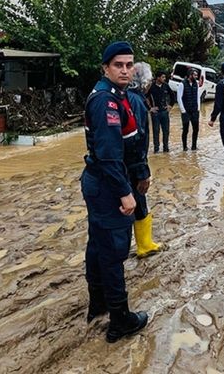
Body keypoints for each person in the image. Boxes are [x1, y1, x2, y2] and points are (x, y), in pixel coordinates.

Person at [81, 40, 148, 343]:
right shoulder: (106, 101)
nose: (125, 70)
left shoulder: (116, 95)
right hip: (109, 185)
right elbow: (109, 155)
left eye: (129, 64)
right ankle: (119, 319)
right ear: (105, 68)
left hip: (101, 182)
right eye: (118, 65)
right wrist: (126, 193)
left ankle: (99, 304)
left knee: (98, 244)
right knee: (112, 252)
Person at [126, 63, 162, 258]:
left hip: (124, 164)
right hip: (132, 166)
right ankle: (144, 245)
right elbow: (138, 139)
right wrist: (143, 172)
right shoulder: (137, 102)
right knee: (138, 201)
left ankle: (143, 244)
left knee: (136, 202)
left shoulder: (125, 97)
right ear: (144, 82)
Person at [146, 71, 172, 153]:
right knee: (156, 131)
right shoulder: (151, 86)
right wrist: (150, 108)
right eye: (163, 77)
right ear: (158, 78)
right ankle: (156, 149)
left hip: (164, 112)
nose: (164, 79)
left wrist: (170, 105)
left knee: (166, 131)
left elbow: (172, 95)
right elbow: (144, 97)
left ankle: (166, 148)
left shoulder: (166, 86)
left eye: (165, 77)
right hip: (155, 113)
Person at [176, 68, 202, 151]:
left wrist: (198, 108)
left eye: (196, 75)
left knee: (196, 129)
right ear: (190, 75)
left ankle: (194, 146)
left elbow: (198, 96)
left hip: (194, 110)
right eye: (194, 75)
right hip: (186, 111)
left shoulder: (196, 84)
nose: (196, 77)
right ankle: (184, 147)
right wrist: (183, 110)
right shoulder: (182, 84)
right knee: (185, 129)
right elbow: (179, 98)